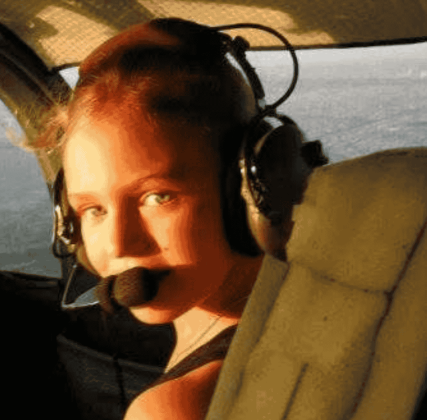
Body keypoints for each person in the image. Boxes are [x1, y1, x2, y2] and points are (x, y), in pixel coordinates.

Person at [23, 18, 323, 420]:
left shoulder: (174, 409)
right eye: (93, 209)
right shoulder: (308, 299)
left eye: (157, 196)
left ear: (252, 187)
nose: (118, 243)